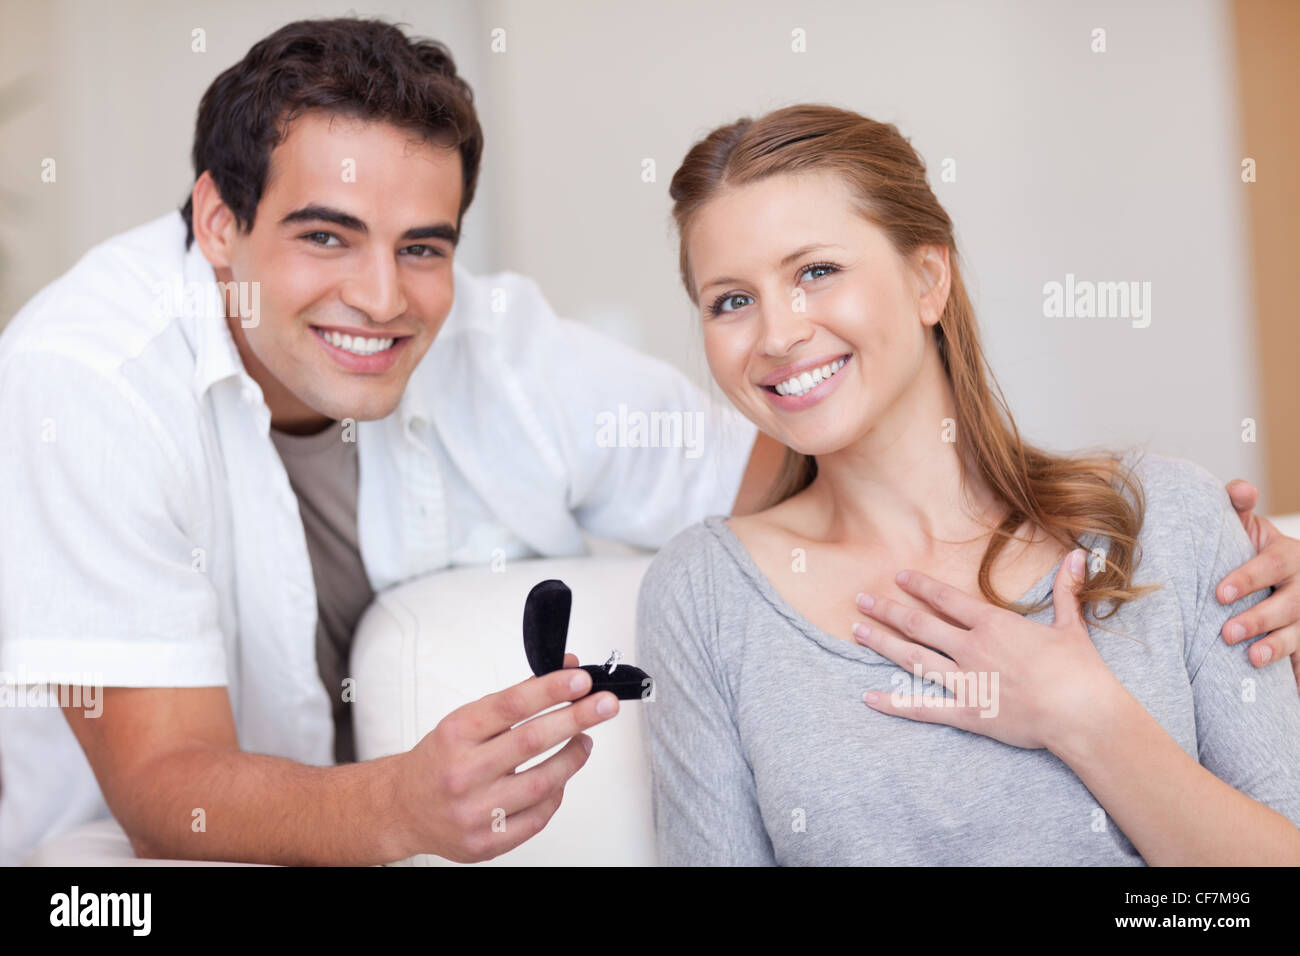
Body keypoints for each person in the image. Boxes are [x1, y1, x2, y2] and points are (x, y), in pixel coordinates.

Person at [0, 17, 781, 867]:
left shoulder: (499, 344)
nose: (381, 299)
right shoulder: (88, 377)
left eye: (421, 247)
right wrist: (401, 809)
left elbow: (765, 474)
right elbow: (165, 786)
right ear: (220, 222)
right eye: (325, 236)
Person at [635, 104, 1300, 865]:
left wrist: (1085, 718)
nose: (777, 334)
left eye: (816, 271)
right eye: (731, 301)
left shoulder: (1168, 519)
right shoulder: (703, 597)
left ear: (928, 279)